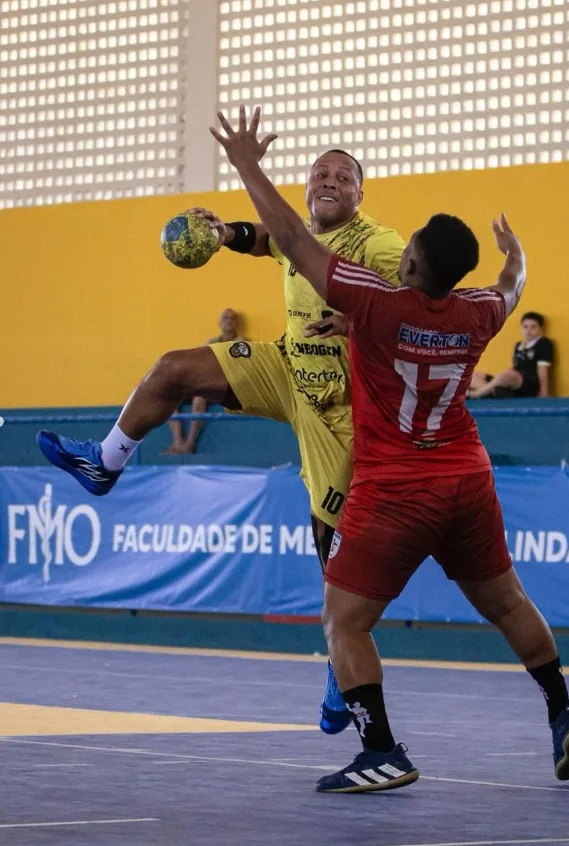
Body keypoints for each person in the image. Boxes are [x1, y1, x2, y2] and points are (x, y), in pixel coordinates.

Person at [209, 105, 569, 794]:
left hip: (396, 488)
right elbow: (513, 285)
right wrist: (515, 253)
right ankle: (563, 711)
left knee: (344, 621)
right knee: (507, 602)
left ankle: (381, 748)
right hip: (466, 479)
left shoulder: (376, 304)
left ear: (408, 260)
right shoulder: (477, 311)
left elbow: (292, 237)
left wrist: (245, 161)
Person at [36, 144, 404, 736]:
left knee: (331, 553)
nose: (330, 180)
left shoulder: (377, 244)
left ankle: (342, 660)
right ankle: (104, 463)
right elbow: (270, 241)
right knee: (172, 370)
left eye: (344, 176)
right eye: (320, 173)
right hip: (288, 369)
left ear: (362, 194)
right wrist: (227, 231)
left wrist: (364, 321)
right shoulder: (299, 234)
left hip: (344, 409)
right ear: (308, 187)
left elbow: (427, 295)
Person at [164, 308, 244, 455]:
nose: (229, 321)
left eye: (233, 318)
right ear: (220, 322)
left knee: (199, 398)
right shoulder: (211, 342)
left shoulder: (241, 344)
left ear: (237, 323)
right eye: (225, 318)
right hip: (205, 381)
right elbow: (199, 363)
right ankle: (178, 442)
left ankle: (190, 444)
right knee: (170, 397)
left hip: (225, 386)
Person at [468, 311, 554, 399]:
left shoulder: (543, 343)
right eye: (525, 327)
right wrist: (499, 378)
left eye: (533, 327)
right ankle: (491, 392)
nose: (528, 331)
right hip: (513, 381)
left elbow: (543, 371)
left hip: (528, 383)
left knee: (508, 374)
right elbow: (516, 366)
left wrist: (544, 394)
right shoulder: (519, 345)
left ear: (540, 328)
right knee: (472, 375)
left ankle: (476, 394)